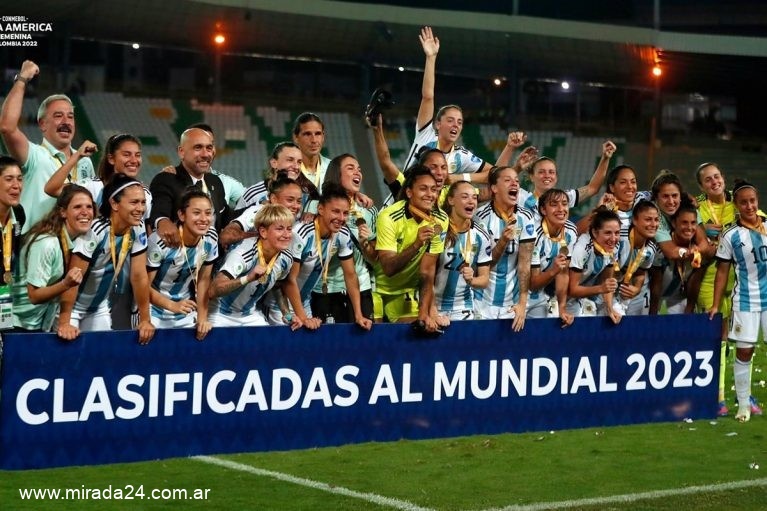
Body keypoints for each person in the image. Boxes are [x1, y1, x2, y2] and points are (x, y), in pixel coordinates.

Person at [57, 174, 154, 344]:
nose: (140, 209)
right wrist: (65, 322)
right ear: (114, 204)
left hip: (99, 308)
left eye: (142, 202)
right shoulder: (96, 230)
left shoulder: (137, 228)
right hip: (71, 308)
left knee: (102, 356)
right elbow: (73, 278)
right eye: (134, 202)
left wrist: (145, 320)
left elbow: (139, 276)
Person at [0, 60, 95, 233]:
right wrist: (22, 79)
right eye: (58, 116)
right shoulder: (34, 155)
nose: (66, 122)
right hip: (33, 244)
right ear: (42, 124)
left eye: (70, 116)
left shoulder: (84, 162)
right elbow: (7, 127)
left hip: (71, 248)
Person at [709, 179, 767, 422]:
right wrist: (715, 304)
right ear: (736, 205)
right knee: (744, 351)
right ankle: (743, 405)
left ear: (758, 201)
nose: (749, 206)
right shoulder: (730, 235)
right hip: (745, 300)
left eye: (752, 201)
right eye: (744, 202)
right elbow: (722, 272)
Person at [402, 27, 493, 181]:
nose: (455, 125)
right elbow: (428, 97)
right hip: (400, 195)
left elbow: (494, 173)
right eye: (450, 120)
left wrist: (460, 177)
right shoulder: (426, 134)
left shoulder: (461, 156)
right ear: (438, 124)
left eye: (459, 122)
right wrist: (431, 58)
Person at [280, 183, 373, 330]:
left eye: (345, 213)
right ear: (320, 209)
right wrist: (303, 318)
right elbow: (289, 280)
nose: (341, 218)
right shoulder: (301, 233)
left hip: (304, 303)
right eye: (335, 211)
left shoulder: (342, 234)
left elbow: (350, 275)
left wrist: (358, 315)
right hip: (282, 305)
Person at [374, 165, 448, 330]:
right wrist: (416, 245)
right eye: (423, 189)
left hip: (406, 290)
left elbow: (427, 271)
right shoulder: (389, 217)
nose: (430, 194)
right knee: (373, 339)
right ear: (409, 192)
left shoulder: (440, 220)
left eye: (434, 190)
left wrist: (423, 315)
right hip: (377, 288)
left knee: (417, 331)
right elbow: (388, 268)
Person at [694, 162, 742, 416]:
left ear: (723, 177)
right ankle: (718, 396)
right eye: (708, 180)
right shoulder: (697, 207)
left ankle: (742, 394)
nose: (714, 182)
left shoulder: (739, 202)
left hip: (737, 279)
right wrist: (702, 230)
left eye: (717, 177)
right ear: (702, 187)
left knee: (740, 338)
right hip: (709, 277)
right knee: (717, 337)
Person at [12, 184, 93, 331]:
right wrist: (65, 284)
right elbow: (34, 295)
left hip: (38, 325)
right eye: (77, 207)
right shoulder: (47, 243)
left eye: (89, 206)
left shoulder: (75, 240)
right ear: (63, 212)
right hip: (17, 324)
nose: (85, 212)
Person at [146, 189, 218, 340]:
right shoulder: (161, 241)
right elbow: (141, 287)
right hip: (152, 311)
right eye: (196, 213)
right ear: (181, 215)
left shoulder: (211, 239)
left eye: (208, 213)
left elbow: (204, 280)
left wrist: (202, 318)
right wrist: (172, 305)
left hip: (185, 311)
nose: (204, 219)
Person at [208, 204, 295, 328]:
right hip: (219, 314)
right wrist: (247, 278)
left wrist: (287, 314)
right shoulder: (243, 252)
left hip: (249, 315)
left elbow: (277, 286)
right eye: (280, 229)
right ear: (263, 232)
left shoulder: (286, 258)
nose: (286, 235)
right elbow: (213, 290)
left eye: (289, 229)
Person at [474, 166, 534, 331]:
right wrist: (503, 241)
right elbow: (482, 267)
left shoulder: (526, 217)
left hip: (511, 304)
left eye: (517, 181)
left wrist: (522, 303)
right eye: (507, 180)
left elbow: (524, 265)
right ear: (494, 188)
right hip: (481, 301)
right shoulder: (480, 218)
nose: (515, 184)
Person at [149, 127, 231, 246]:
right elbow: (159, 211)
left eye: (209, 148)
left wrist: (256, 208)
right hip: (177, 253)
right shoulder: (167, 179)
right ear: (181, 152)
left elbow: (226, 216)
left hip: (211, 254)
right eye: (198, 147)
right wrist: (162, 221)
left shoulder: (214, 181)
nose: (205, 154)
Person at [321, 154, 379, 322]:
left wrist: (365, 244)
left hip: (362, 287)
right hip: (328, 288)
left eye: (359, 169)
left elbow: (374, 258)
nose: (357, 172)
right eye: (350, 168)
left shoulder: (369, 211)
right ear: (336, 174)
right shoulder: (318, 206)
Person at [45, 133, 153, 219]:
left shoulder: (145, 195)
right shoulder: (92, 187)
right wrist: (77, 155)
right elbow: (52, 189)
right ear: (111, 159)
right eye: (126, 155)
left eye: (138, 155)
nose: (134, 160)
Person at [432, 181, 492, 322]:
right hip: (433, 305)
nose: (471, 201)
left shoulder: (481, 236)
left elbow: (484, 280)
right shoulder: (438, 230)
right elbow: (425, 275)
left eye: (474, 197)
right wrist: (433, 311)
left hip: (463, 307)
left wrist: (472, 280)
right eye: (465, 197)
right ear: (451, 200)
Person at [517, 141, 616, 223]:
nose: (547, 175)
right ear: (531, 177)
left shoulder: (563, 198)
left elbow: (593, 188)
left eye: (551, 172)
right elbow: (505, 182)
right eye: (541, 172)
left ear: (556, 177)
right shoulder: (522, 198)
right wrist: (517, 167)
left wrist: (605, 158)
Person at [528, 188, 578, 324]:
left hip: (539, 296)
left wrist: (562, 308)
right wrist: (553, 271)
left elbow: (563, 272)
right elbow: (532, 284)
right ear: (543, 210)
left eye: (564, 204)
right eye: (554, 204)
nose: (561, 209)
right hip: (516, 293)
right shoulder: (533, 234)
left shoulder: (570, 231)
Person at [568, 207, 622, 324]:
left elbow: (607, 281)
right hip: (558, 296)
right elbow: (572, 289)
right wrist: (601, 288)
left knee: (616, 314)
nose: (613, 239)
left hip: (582, 296)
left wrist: (609, 308)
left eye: (617, 233)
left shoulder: (614, 247)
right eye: (608, 233)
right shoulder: (582, 248)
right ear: (594, 232)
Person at [219, 175, 304, 248]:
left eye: (299, 201)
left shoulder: (297, 214)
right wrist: (262, 236)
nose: (296, 206)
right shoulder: (258, 213)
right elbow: (226, 236)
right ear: (274, 199)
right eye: (290, 200)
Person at [234, 141, 318, 213]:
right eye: (290, 160)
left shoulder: (307, 192)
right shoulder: (254, 193)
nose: (296, 166)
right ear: (274, 163)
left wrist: (313, 213)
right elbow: (234, 221)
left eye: (299, 162)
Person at [650, 200, 698, 315]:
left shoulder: (698, 248)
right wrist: (652, 316)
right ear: (674, 223)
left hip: (679, 298)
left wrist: (690, 309)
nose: (689, 227)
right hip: (654, 298)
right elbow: (655, 285)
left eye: (693, 223)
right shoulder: (662, 247)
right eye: (684, 222)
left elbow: (695, 282)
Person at [613, 200, 659, 316]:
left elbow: (640, 272)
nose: (653, 224)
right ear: (634, 220)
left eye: (656, 220)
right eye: (648, 219)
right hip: (597, 289)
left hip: (619, 292)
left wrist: (637, 288)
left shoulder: (651, 248)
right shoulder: (618, 237)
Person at [0, 157, 26, 331]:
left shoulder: (18, 214)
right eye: (9, 179)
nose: (16, 186)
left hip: (4, 295)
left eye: (19, 179)